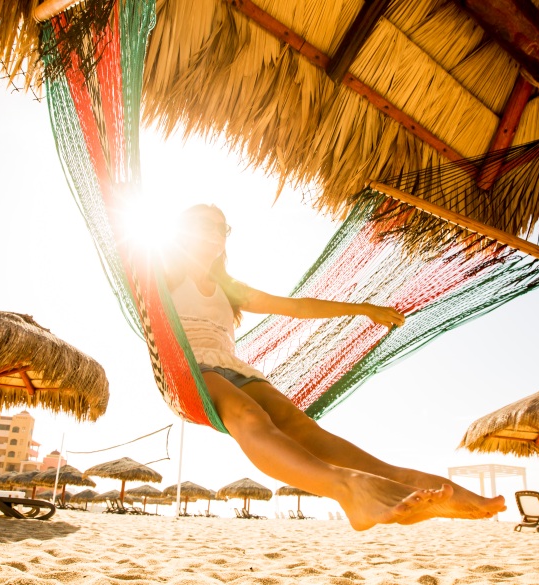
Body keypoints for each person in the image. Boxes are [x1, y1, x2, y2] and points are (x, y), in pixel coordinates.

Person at [163, 204, 506, 530]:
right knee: (249, 417)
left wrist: (360, 308)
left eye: (221, 228)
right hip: (188, 370)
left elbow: (297, 307)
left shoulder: (231, 289)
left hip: (234, 369)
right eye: (204, 225)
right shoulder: (161, 276)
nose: (215, 233)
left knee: (301, 426)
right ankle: (348, 489)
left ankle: (406, 482)